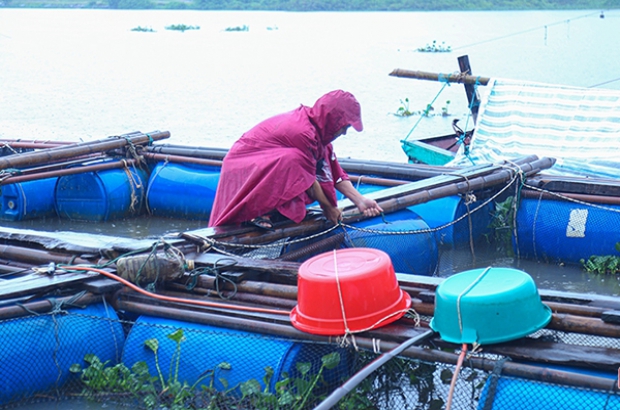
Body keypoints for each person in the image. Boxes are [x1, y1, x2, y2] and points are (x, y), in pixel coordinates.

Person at [208, 90, 383, 229]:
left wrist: (360, 200)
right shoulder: (303, 134)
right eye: (344, 127)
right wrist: (329, 208)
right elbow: (308, 180)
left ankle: (273, 212)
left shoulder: (321, 138)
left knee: (297, 164)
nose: (344, 133)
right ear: (332, 121)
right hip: (244, 167)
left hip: (266, 167)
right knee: (294, 161)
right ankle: (257, 213)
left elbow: (336, 174)